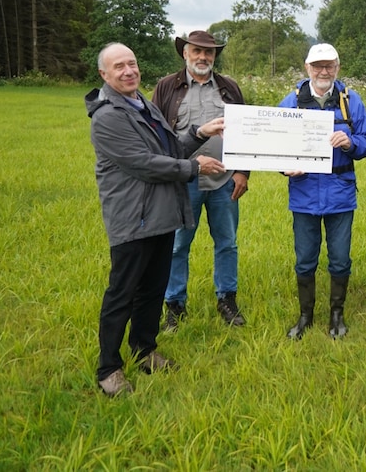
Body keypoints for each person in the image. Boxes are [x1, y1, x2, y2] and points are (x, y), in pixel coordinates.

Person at [86, 43, 226, 397]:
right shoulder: (108, 116)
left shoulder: (142, 104)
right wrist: (195, 167)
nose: (129, 71)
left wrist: (198, 134)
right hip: (133, 219)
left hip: (160, 216)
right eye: (119, 67)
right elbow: (144, 164)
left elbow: (169, 150)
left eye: (132, 63)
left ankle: (144, 349)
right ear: (104, 74)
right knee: (123, 292)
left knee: (152, 290)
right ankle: (108, 369)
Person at [152, 30, 250, 330]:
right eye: (197, 51)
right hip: (184, 181)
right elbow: (156, 136)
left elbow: (248, 131)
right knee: (178, 245)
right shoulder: (167, 87)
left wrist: (243, 172)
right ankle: (175, 305)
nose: (203, 57)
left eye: (209, 52)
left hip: (224, 181)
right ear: (185, 53)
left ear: (215, 56)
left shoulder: (229, 88)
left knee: (227, 243)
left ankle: (227, 299)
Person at [277, 43, 366, 340]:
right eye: (317, 66)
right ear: (307, 68)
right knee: (305, 258)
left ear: (337, 68)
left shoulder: (350, 101)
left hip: (340, 194)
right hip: (304, 194)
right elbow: (273, 147)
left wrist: (351, 143)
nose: (323, 71)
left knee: (340, 259)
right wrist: (285, 168)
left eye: (329, 65)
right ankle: (305, 316)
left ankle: (337, 316)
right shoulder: (290, 103)